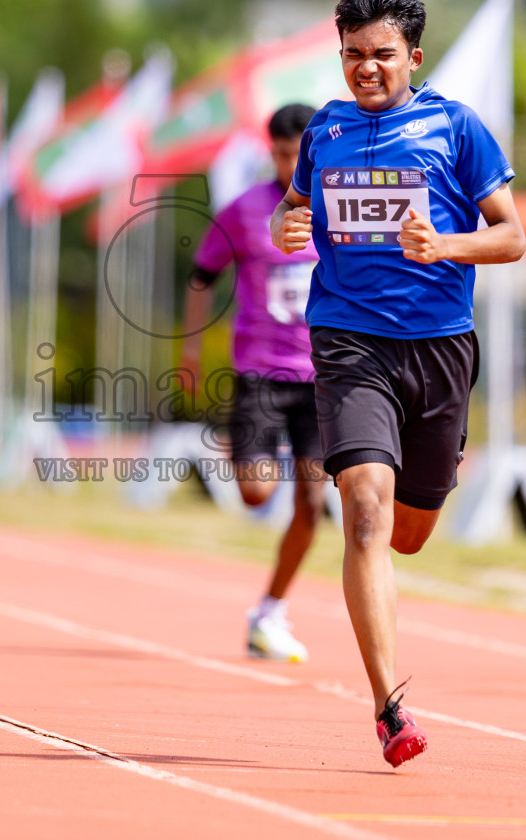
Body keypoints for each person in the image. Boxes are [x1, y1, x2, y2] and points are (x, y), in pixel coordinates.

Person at [270, 0, 525, 767]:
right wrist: (287, 226)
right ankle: (389, 708)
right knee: (365, 516)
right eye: (352, 55)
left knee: (409, 532)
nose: (366, 69)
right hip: (349, 344)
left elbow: (512, 237)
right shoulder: (325, 129)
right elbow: (293, 210)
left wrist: (444, 245)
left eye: (382, 55)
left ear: (413, 57)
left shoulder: (455, 127)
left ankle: (423, 493)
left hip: (439, 350)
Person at [181, 103, 326, 663]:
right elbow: (201, 276)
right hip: (261, 374)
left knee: (312, 503)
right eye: (283, 154)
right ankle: (245, 449)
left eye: (300, 154)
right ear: (270, 152)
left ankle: (269, 609)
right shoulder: (244, 211)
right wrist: (191, 348)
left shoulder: (339, 209)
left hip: (322, 378)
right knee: (256, 491)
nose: (292, 164)